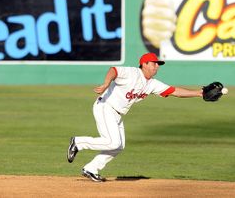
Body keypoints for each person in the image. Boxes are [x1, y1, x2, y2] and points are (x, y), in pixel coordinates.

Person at [67, 52, 203, 182]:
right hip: (106, 106)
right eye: (154, 63)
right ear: (144, 64)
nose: (157, 66)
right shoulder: (132, 73)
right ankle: (78, 142)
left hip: (118, 113)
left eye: (158, 64)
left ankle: (91, 169)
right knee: (112, 142)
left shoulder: (152, 84)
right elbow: (113, 70)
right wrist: (106, 83)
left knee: (118, 147)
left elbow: (175, 91)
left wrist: (199, 93)